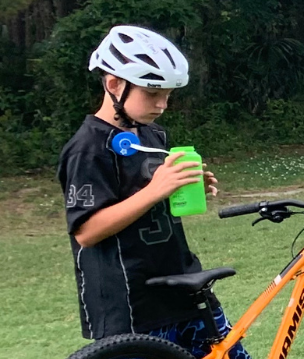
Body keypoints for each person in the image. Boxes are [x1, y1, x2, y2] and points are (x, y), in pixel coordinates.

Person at [59, 25, 243, 358]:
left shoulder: (153, 135)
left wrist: (184, 187)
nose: (162, 104)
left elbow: (155, 204)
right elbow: (86, 231)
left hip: (184, 289)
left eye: (168, 95)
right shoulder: (87, 149)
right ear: (115, 84)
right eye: (152, 93)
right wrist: (156, 190)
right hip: (132, 307)